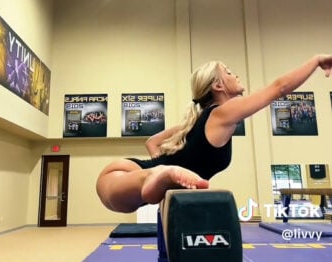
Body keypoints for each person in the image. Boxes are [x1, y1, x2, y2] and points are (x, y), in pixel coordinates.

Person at [96, 55, 332, 213]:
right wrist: (316, 61)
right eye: (229, 72)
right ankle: (161, 175)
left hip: (125, 180)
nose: (236, 75)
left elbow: (153, 142)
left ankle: (160, 177)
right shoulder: (221, 113)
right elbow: (278, 88)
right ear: (218, 86)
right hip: (125, 177)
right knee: (151, 183)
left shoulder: (199, 120)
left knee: (135, 197)